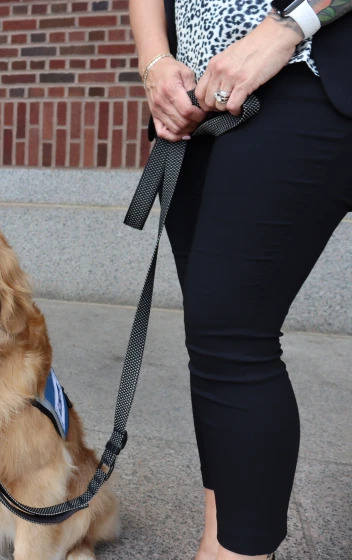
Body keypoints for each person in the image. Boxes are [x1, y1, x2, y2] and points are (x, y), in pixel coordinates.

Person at [128, 0, 352, 559]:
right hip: (197, 100)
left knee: (232, 336)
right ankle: (218, 536)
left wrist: (287, 28)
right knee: (211, 341)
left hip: (304, 69)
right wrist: (155, 63)